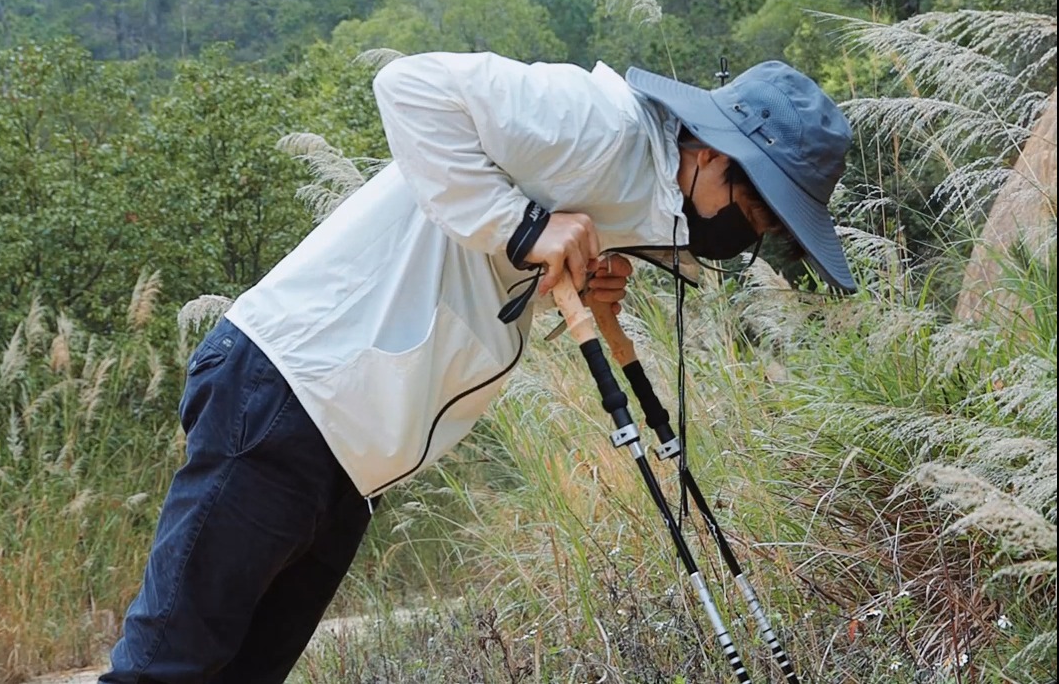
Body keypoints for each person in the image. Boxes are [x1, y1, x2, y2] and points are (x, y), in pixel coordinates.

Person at [100, 52, 855, 683]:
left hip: (350, 450)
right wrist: (524, 227)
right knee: (167, 669)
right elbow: (409, 87)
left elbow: (483, 273)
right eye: (755, 213)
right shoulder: (600, 124)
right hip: (287, 391)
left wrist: (571, 268)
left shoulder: (642, 193)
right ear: (718, 155)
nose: (744, 235)